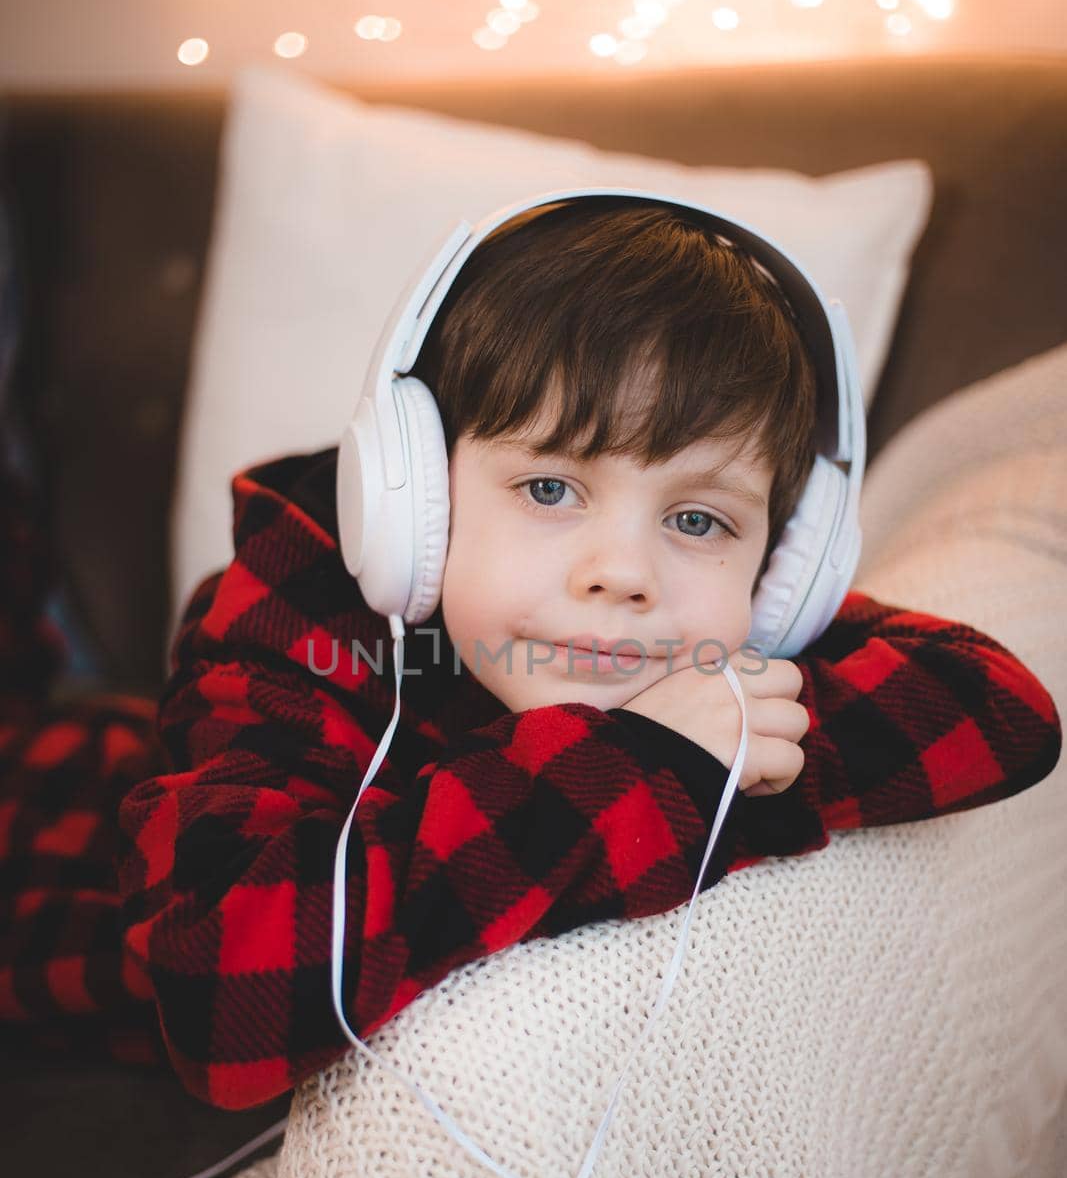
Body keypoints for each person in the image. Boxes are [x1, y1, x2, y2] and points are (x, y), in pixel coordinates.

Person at [3, 201, 1062, 1106]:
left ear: (787, 573)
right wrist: (656, 765)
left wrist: (711, 737)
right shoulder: (302, 599)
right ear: (409, 501)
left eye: (697, 520)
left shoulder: (719, 631)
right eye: (550, 488)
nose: (622, 571)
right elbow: (222, 983)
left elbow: (999, 712)